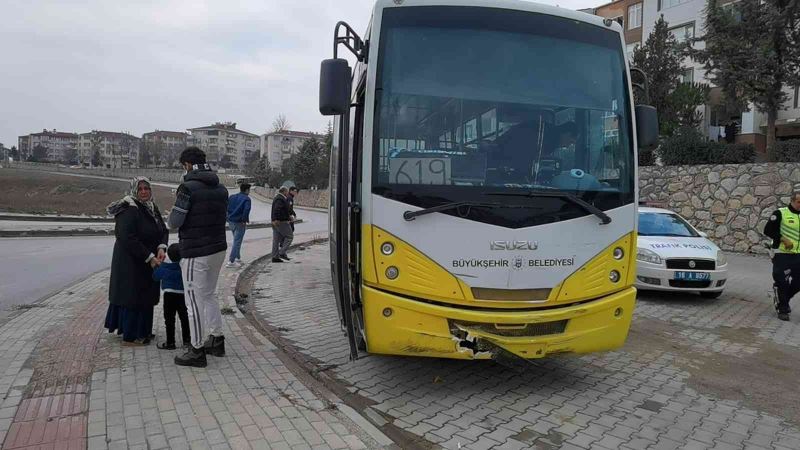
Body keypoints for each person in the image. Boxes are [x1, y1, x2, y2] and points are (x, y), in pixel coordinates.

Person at [168, 147, 229, 367]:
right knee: (210, 294)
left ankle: (196, 350)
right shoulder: (221, 188)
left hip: (196, 252)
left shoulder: (187, 188)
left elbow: (174, 222)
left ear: (187, 165)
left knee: (193, 301)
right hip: (218, 249)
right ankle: (217, 339)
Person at [105, 177, 168, 346]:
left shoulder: (152, 207)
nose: (144, 192)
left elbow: (163, 229)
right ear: (134, 190)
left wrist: (162, 247)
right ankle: (132, 335)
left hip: (149, 261)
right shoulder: (128, 208)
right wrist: (149, 256)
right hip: (130, 262)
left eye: (146, 188)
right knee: (132, 297)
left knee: (146, 296)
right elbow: (126, 237)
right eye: (140, 189)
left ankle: (144, 330)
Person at [764, 192, 800, 321]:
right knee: (782, 281)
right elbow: (768, 230)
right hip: (781, 253)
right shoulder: (780, 213)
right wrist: (783, 239)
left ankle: (783, 300)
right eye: (798, 202)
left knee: (798, 283)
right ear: (792, 201)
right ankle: (783, 309)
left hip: (798, 254)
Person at [153, 244, 191, 349]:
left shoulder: (165, 266)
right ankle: (187, 341)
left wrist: (156, 266)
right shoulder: (184, 266)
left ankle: (170, 342)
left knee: (169, 320)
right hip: (183, 296)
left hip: (169, 295)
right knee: (185, 319)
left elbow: (156, 276)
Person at [226, 183, 252, 268]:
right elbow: (246, 209)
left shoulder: (232, 197)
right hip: (240, 222)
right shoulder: (247, 199)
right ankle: (231, 261)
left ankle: (238, 258)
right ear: (247, 190)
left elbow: (226, 207)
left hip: (231, 221)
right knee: (237, 242)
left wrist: (227, 218)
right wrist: (244, 220)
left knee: (236, 240)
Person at [271, 186, 293, 262]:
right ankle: (282, 252)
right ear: (284, 191)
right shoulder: (280, 198)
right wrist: (277, 219)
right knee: (289, 236)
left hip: (275, 222)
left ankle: (275, 257)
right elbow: (277, 209)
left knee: (276, 240)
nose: (288, 193)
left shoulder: (277, 197)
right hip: (281, 222)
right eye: (287, 192)